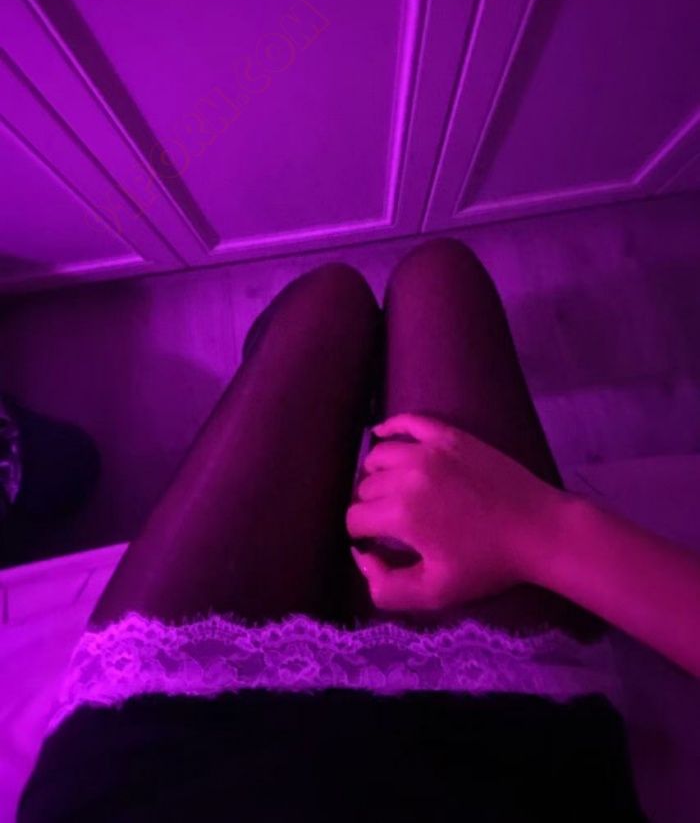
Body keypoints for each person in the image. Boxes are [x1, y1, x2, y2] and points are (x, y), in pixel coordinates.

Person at [17, 238, 698, 821]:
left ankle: (307, 385)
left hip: (159, 774)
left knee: (328, 301)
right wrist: (542, 530)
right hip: (515, 767)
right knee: (436, 277)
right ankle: (339, 397)